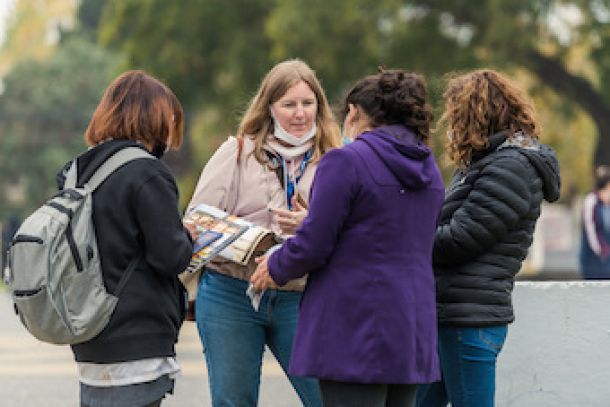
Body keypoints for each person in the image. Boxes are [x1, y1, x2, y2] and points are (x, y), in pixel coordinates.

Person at [251, 69, 444, 407]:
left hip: (354, 323)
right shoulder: (428, 168)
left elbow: (314, 244)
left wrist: (275, 264)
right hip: (411, 323)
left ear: (354, 112)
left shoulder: (345, 161)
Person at [186, 59, 340, 406]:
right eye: (289, 104)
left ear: (319, 105)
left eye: (307, 103)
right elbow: (196, 222)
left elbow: (353, 228)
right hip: (231, 292)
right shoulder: (237, 152)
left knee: (327, 398)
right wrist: (248, 236)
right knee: (233, 400)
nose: (300, 113)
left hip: (302, 295)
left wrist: (311, 223)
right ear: (269, 107)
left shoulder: (335, 159)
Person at [415, 69, 561, 407]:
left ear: (476, 115)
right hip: (453, 313)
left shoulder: (510, 167)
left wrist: (404, 239)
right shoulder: (486, 163)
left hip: (469, 320)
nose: (450, 127)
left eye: (455, 116)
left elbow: (459, 239)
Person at [56, 70, 194, 407]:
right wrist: (190, 235)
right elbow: (170, 256)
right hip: (136, 339)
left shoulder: (76, 171)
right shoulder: (147, 172)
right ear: (153, 118)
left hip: (89, 333)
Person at [579, 165, 610, 279]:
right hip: (593, 264)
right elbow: (591, 233)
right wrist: (604, 252)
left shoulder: (606, 204)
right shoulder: (591, 201)